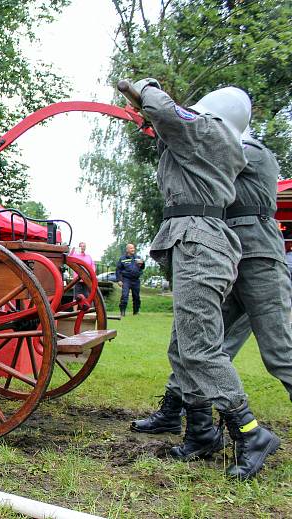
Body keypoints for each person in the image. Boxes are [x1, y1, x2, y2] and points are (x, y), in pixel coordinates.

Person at [130, 78, 278, 479]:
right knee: (183, 348)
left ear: (213, 115)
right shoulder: (208, 142)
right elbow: (169, 135)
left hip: (200, 242)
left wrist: (145, 87)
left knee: (200, 349)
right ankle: (200, 432)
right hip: (195, 242)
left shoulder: (210, 132)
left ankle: (249, 433)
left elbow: (167, 113)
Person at [115, 243, 145, 316]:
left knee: (136, 296)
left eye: (133, 248)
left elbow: (142, 267)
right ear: (127, 250)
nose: (133, 249)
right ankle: (122, 312)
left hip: (136, 280)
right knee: (124, 296)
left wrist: (143, 263)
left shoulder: (138, 257)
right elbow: (118, 270)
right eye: (131, 248)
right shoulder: (122, 259)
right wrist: (119, 280)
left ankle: (136, 312)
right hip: (126, 279)